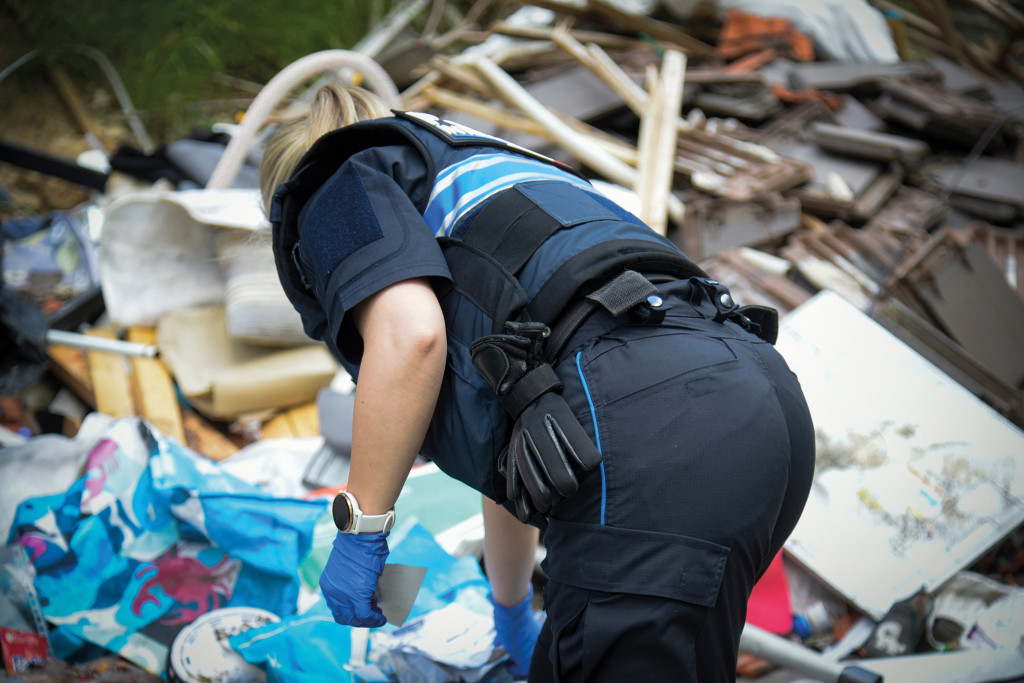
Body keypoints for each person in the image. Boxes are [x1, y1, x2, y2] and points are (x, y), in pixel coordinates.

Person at [260, 83, 815, 682]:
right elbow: (523, 454)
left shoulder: (334, 185)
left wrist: (361, 529)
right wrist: (512, 610)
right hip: (761, 400)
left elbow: (410, 338)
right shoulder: (489, 169)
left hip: (649, 438)